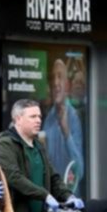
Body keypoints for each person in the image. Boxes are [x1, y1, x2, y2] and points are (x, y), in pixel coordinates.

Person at [42, 58, 85, 194]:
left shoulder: (74, 117)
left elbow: (80, 171)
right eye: (53, 78)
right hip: (51, 198)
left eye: (60, 77)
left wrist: (66, 132)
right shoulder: (48, 118)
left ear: (67, 85)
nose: (55, 83)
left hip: (69, 201)